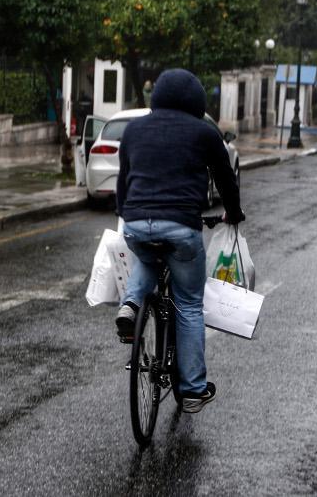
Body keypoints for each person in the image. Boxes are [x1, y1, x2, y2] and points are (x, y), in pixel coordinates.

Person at [114, 68, 244, 414]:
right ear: (196, 102)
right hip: (181, 227)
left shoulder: (134, 129)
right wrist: (234, 213)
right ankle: (192, 390)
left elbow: (124, 179)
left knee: (147, 260)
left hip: (136, 223)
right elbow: (226, 181)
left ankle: (130, 305)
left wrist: (125, 213)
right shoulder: (205, 133)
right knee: (187, 303)